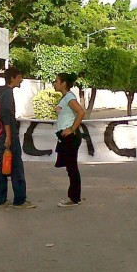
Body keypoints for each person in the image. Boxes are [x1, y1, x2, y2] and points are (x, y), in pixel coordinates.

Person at [0, 66, 36, 209]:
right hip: (9, 134)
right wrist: (9, 136)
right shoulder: (7, 94)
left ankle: (0, 199)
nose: (21, 80)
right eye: (19, 77)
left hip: (5, 134)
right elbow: (6, 115)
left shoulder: (1, 92)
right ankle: (19, 200)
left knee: (4, 165)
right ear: (12, 78)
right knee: (16, 167)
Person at [53, 72, 85, 207]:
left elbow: (81, 112)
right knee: (70, 167)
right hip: (65, 138)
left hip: (70, 137)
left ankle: (74, 198)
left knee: (72, 168)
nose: (54, 84)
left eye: (56, 81)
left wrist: (72, 129)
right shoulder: (65, 98)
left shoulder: (69, 97)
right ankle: (74, 196)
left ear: (63, 83)